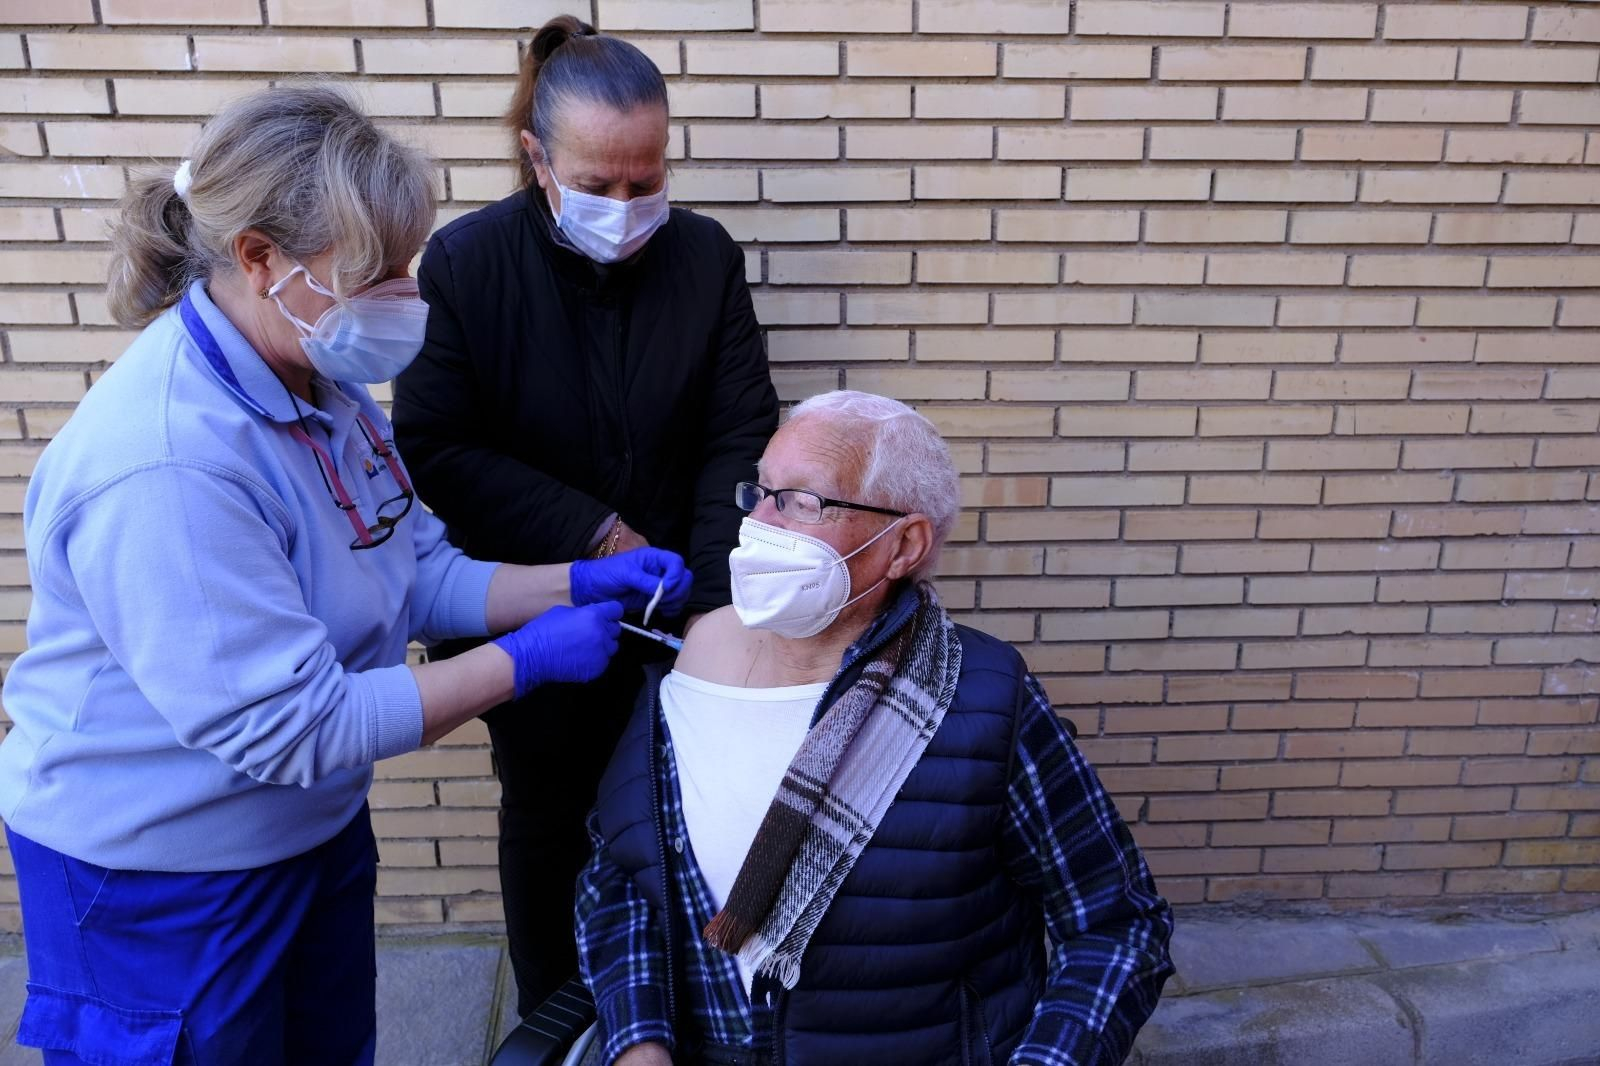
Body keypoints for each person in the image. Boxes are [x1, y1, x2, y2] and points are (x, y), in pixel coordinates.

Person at [0, 84, 692, 1066]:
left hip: (307, 829)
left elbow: (411, 570)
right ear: (259, 260)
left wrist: (569, 586)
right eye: (378, 269)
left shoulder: (322, 386)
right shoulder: (168, 463)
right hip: (161, 876)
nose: (407, 291)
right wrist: (523, 662)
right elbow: (296, 724)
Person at [576, 391, 1175, 1066]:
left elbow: (1118, 926)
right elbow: (620, 875)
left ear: (903, 545)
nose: (760, 523)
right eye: (762, 490)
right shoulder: (685, 676)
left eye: (805, 501)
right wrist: (638, 1043)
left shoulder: (984, 700)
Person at [393, 15, 778, 1015]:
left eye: (645, 179)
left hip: (683, 598)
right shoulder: (467, 264)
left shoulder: (704, 258)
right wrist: (597, 533)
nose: (626, 203)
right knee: (549, 815)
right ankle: (555, 1011)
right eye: (598, 183)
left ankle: (674, 1005)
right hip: (529, 601)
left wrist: (708, 609)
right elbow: (438, 447)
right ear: (537, 158)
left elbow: (738, 437)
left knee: (683, 809)